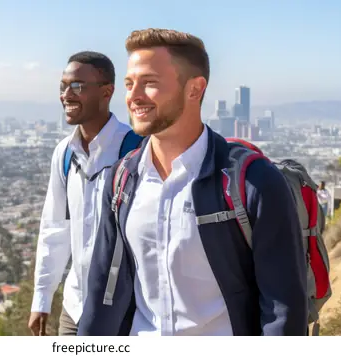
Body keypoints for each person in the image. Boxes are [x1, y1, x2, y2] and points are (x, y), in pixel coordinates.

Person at [77, 28, 308, 336]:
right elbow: (101, 292)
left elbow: (283, 312)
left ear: (194, 89)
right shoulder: (120, 181)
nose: (133, 96)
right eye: (130, 84)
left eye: (150, 83)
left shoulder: (253, 183)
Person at [29, 51, 141, 336]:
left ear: (107, 92)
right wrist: (41, 299)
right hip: (75, 307)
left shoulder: (137, 151)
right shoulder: (64, 153)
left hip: (127, 312)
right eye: (63, 86)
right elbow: (55, 229)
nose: (66, 94)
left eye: (77, 86)